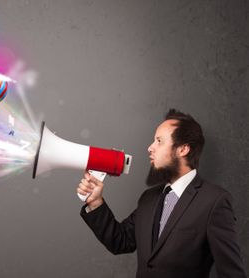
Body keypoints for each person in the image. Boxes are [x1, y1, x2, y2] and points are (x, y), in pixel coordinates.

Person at [78, 109, 247, 278]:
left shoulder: (214, 201)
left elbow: (232, 273)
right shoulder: (148, 198)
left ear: (183, 149)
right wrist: (95, 202)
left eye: (159, 141)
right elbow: (120, 242)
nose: (150, 148)